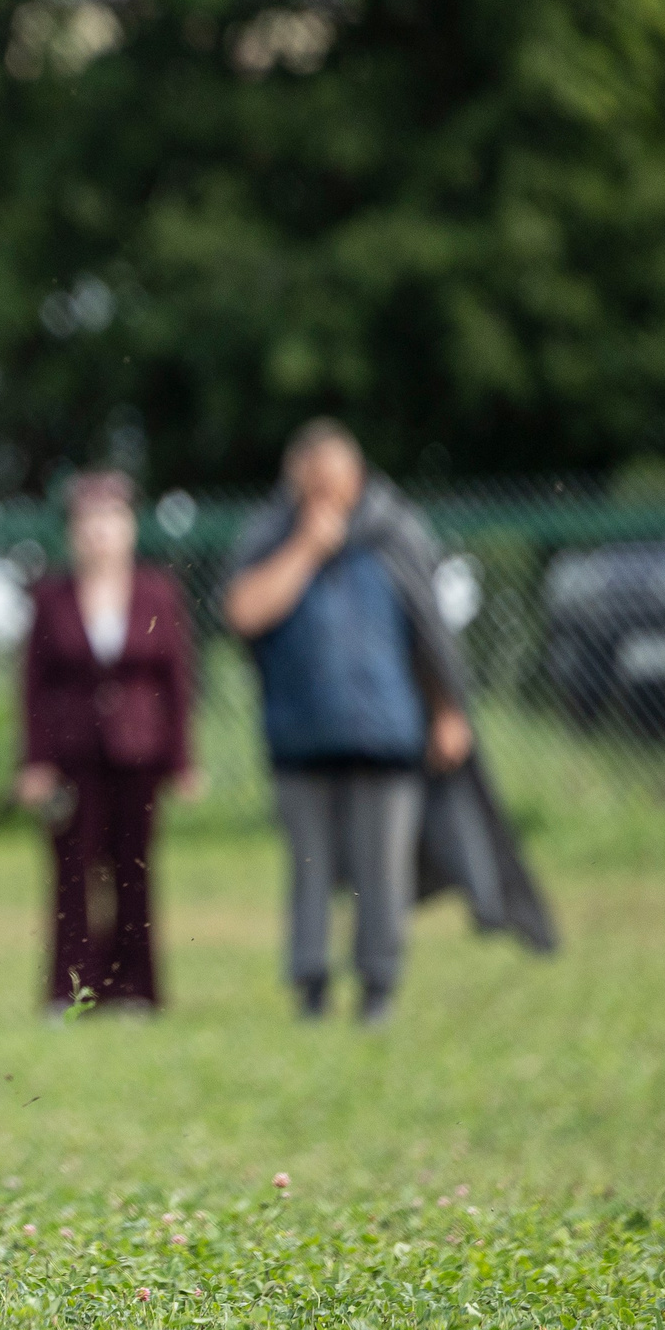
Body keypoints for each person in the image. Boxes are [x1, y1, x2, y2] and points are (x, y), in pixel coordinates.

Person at [224, 420, 472, 1024]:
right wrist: (307, 546)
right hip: (300, 740)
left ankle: (378, 987)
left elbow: (429, 634)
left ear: (357, 477)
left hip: (388, 736)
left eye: (336, 484)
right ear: (294, 484)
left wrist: (447, 710)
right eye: (313, 486)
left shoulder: (397, 536)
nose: (327, 497)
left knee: (381, 871)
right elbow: (243, 613)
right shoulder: (270, 537)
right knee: (308, 870)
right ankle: (310, 986)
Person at [16, 471, 194, 1014]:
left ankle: (135, 989)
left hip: (139, 756)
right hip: (72, 761)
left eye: (110, 520)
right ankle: (69, 992)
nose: (100, 532)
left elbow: (178, 682)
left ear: (131, 528)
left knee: (134, 872)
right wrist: (34, 761)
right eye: (88, 522)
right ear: (73, 533)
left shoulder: (158, 593)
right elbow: (34, 685)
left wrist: (183, 760)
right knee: (71, 876)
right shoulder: (52, 598)